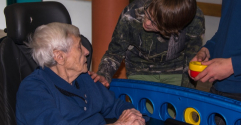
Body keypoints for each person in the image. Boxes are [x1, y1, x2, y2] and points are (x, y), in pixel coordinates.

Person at [16, 22, 145, 125]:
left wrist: (134, 115)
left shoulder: (84, 77)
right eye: (79, 47)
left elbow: (115, 105)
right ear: (59, 57)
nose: (86, 51)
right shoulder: (33, 90)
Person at [90, 0, 205, 89]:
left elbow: (191, 59)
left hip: (176, 71)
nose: (147, 23)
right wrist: (103, 74)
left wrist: (186, 94)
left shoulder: (194, 20)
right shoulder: (132, 14)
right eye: (148, 14)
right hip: (140, 70)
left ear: (173, 29)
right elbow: (115, 53)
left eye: (156, 23)